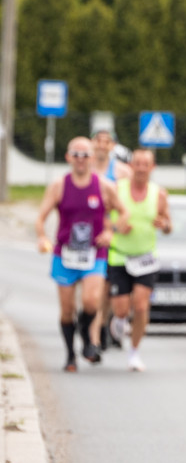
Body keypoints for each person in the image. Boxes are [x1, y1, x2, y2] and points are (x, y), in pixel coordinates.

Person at [34, 137, 127, 372]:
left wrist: (111, 232)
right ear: (68, 158)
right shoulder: (59, 185)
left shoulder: (105, 185)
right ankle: (69, 355)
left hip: (94, 253)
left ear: (92, 158)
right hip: (65, 254)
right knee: (66, 310)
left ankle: (87, 338)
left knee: (90, 300)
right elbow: (40, 217)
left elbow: (123, 213)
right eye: (76, 154)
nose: (81, 160)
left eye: (85, 155)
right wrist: (42, 237)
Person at [107, 148, 172, 372]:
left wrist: (163, 224)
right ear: (131, 166)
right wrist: (116, 226)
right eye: (138, 163)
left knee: (141, 305)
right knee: (122, 309)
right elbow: (104, 220)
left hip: (146, 257)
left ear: (152, 168)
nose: (142, 168)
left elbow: (168, 224)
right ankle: (118, 319)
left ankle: (134, 352)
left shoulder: (159, 194)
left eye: (146, 164)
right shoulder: (117, 189)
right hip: (119, 255)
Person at [91, 129, 133, 351]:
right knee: (94, 288)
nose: (102, 145)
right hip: (90, 233)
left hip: (113, 234)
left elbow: (132, 198)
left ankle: (102, 328)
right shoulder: (85, 169)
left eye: (107, 142)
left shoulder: (122, 171)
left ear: (113, 146)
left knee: (107, 289)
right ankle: (95, 334)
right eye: (98, 140)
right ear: (92, 143)